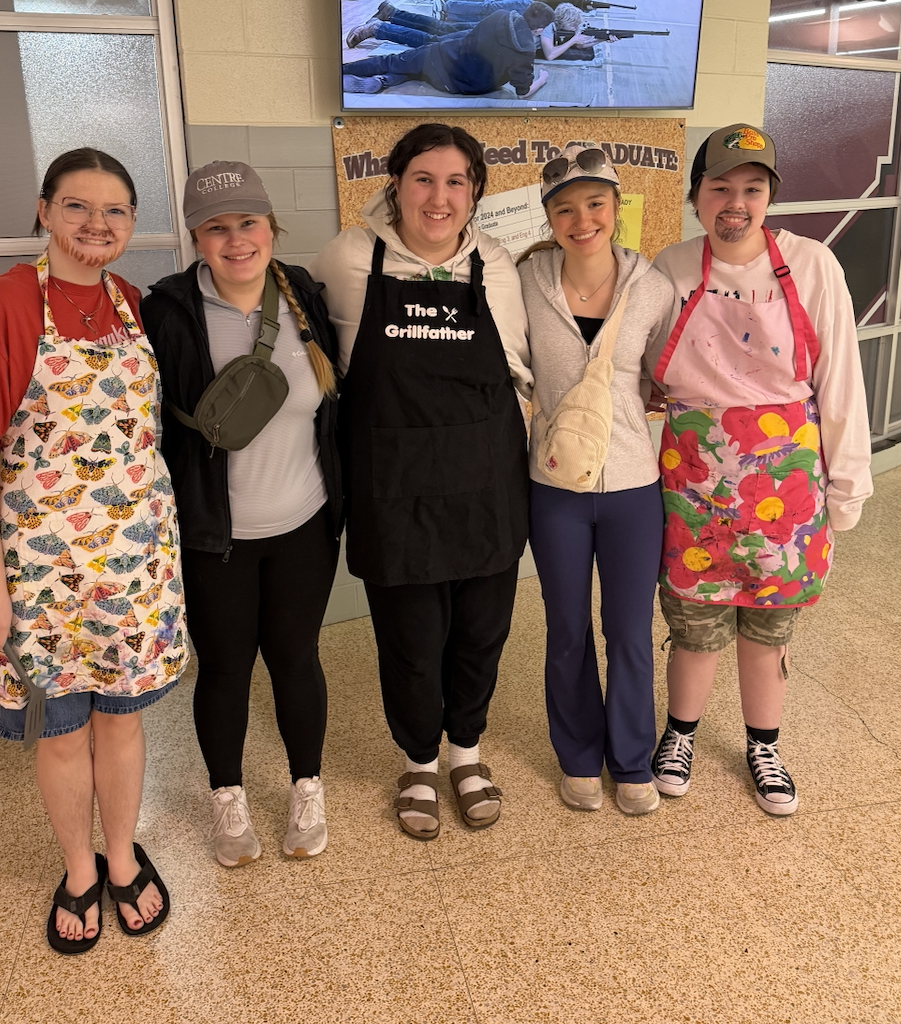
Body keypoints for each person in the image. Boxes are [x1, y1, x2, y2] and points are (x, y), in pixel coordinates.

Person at [0, 148, 186, 954]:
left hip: (136, 567)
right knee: (63, 730)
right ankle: (80, 869)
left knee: (121, 724)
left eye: (116, 211)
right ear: (44, 211)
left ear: (132, 224)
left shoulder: (133, 305)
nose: (97, 225)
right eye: (78, 206)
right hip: (42, 575)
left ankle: (123, 857)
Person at [310, 124, 530, 840]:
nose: (439, 198)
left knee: (480, 636)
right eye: (424, 179)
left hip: (484, 490)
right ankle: (419, 763)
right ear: (396, 185)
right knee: (410, 643)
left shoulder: (496, 266)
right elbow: (318, 361)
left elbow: (520, 372)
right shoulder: (349, 258)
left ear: (475, 191)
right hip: (394, 491)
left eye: (456, 181)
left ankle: (466, 753)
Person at [650, 124, 874, 815]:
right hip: (693, 484)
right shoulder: (670, 268)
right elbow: (642, 370)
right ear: (696, 195)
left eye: (752, 189)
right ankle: (679, 735)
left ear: (769, 197)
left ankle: (764, 745)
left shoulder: (812, 266)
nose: (736, 204)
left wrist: (846, 491)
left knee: (768, 628)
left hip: (787, 485)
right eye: (720, 188)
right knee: (694, 626)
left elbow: (841, 382)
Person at [141, 163, 343, 863]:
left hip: (305, 526)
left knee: (296, 659)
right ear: (196, 238)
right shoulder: (169, 314)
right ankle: (227, 797)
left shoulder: (304, 296)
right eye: (216, 228)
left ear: (270, 227)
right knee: (225, 669)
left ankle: (306, 785)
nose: (236, 241)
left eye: (248, 223)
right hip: (214, 538)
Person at [518, 145, 673, 815]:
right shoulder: (525, 283)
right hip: (555, 487)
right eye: (565, 209)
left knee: (630, 631)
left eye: (595, 204)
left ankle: (632, 760)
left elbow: (661, 375)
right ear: (549, 217)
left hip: (633, 487)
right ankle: (579, 755)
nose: (582, 221)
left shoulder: (654, 289)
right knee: (568, 629)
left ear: (615, 206)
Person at [342, 3, 553, 98]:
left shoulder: (500, 15)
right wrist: (542, 79)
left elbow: (468, 37)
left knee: (395, 61)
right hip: (464, 87)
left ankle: (340, 71)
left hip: (442, 58)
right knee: (416, 72)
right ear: (539, 30)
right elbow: (523, 93)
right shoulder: (525, 54)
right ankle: (381, 81)